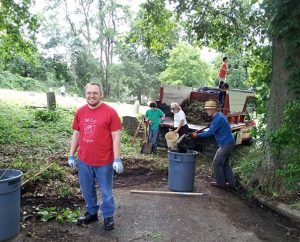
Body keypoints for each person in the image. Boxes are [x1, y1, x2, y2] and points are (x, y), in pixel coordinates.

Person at [68, 82, 123, 231]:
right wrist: (71, 155)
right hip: (84, 160)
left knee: (106, 191)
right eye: (89, 93)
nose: (92, 96)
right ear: (85, 94)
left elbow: (116, 136)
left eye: (95, 93)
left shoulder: (110, 112)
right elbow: (77, 133)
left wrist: (117, 158)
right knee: (87, 189)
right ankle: (92, 213)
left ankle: (108, 217)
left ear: (101, 94)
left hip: (104, 161)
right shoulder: (80, 112)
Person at [191, 100, 235, 189]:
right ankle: (231, 182)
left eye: (207, 109)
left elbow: (210, 133)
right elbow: (216, 126)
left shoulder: (218, 119)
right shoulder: (219, 116)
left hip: (225, 144)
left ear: (212, 109)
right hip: (229, 142)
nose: (206, 111)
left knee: (216, 163)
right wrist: (211, 125)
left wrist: (197, 135)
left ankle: (221, 183)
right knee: (225, 164)